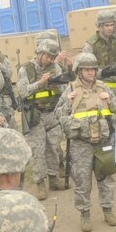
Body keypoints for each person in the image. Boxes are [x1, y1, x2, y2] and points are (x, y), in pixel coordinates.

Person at [60, 51, 116, 230]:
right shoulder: (70, 90)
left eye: (93, 69)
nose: (90, 73)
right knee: (82, 180)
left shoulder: (103, 88)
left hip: (102, 142)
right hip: (81, 144)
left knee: (106, 178)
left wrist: (109, 101)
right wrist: (67, 104)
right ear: (79, 71)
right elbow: (58, 116)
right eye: (86, 69)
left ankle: (108, 210)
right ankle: (84, 214)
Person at [16, 38, 70, 198]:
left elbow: (64, 90)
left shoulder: (56, 68)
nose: (50, 60)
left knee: (53, 147)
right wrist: (40, 83)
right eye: (48, 56)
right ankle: (40, 183)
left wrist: (57, 84)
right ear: (39, 53)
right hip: (35, 115)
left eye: (53, 57)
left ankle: (54, 178)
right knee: (38, 151)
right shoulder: (25, 69)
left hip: (52, 114)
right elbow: (23, 92)